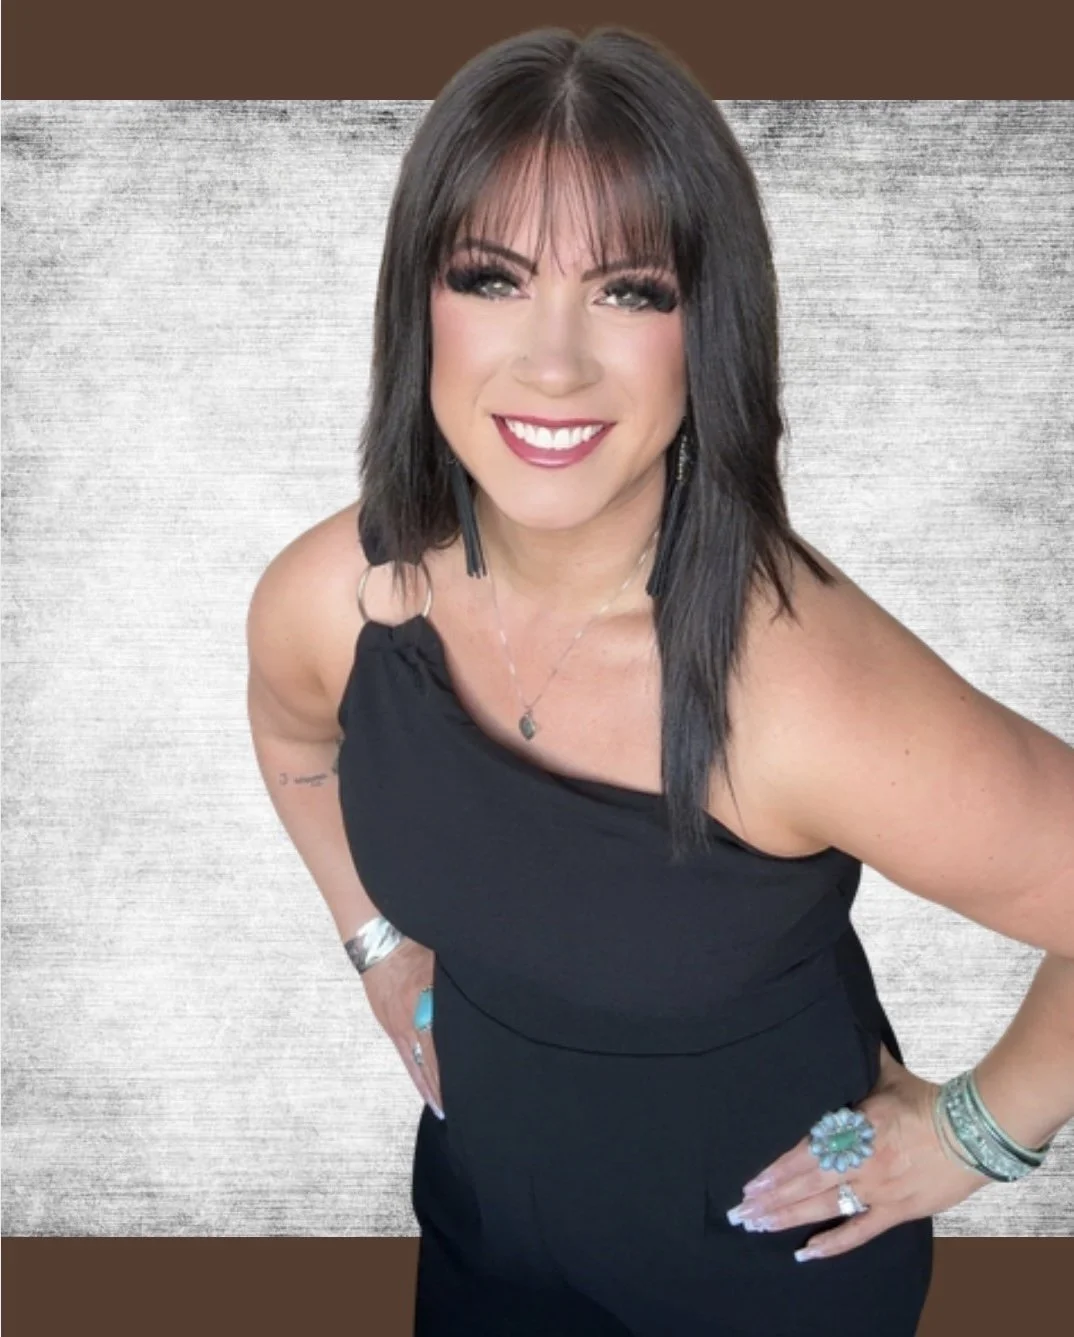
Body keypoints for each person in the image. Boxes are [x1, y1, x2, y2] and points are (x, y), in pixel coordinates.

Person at [246, 26, 1074, 1337]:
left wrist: (980, 1132)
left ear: (710, 329)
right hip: (482, 1238)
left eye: (631, 291)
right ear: (419, 304)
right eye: (491, 278)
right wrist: (375, 943)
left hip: (765, 1279)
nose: (554, 362)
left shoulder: (797, 691)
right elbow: (296, 742)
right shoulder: (334, 595)